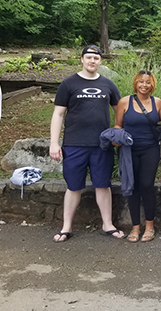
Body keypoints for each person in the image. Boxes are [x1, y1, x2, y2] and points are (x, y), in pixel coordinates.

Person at [49, 45, 124, 242]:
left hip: (102, 145)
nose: (92, 61)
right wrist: (54, 143)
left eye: (96, 58)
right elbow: (58, 114)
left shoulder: (108, 85)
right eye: (89, 57)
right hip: (74, 144)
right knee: (73, 186)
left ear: (100, 62)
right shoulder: (68, 84)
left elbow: (120, 109)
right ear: (81, 59)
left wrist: (117, 130)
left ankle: (107, 224)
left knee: (103, 184)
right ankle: (66, 227)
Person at [114, 70, 161, 243]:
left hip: (150, 149)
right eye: (141, 82)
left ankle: (150, 226)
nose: (144, 85)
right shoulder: (124, 102)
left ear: (153, 84)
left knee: (147, 185)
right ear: (135, 83)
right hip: (129, 150)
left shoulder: (157, 103)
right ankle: (135, 227)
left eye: (148, 82)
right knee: (133, 186)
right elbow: (118, 124)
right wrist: (115, 136)